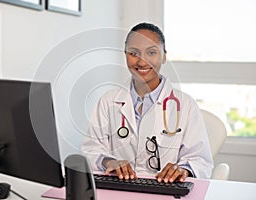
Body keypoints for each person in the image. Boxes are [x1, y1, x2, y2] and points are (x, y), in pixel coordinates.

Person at [81, 22, 213, 183]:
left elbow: (201, 161)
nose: (142, 62)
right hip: (120, 189)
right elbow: (90, 150)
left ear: (164, 56)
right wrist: (109, 162)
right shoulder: (108, 102)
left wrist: (183, 170)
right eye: (133, 53)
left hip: (165, 191)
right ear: (125, 55)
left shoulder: (186, 105)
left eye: (151, 52)